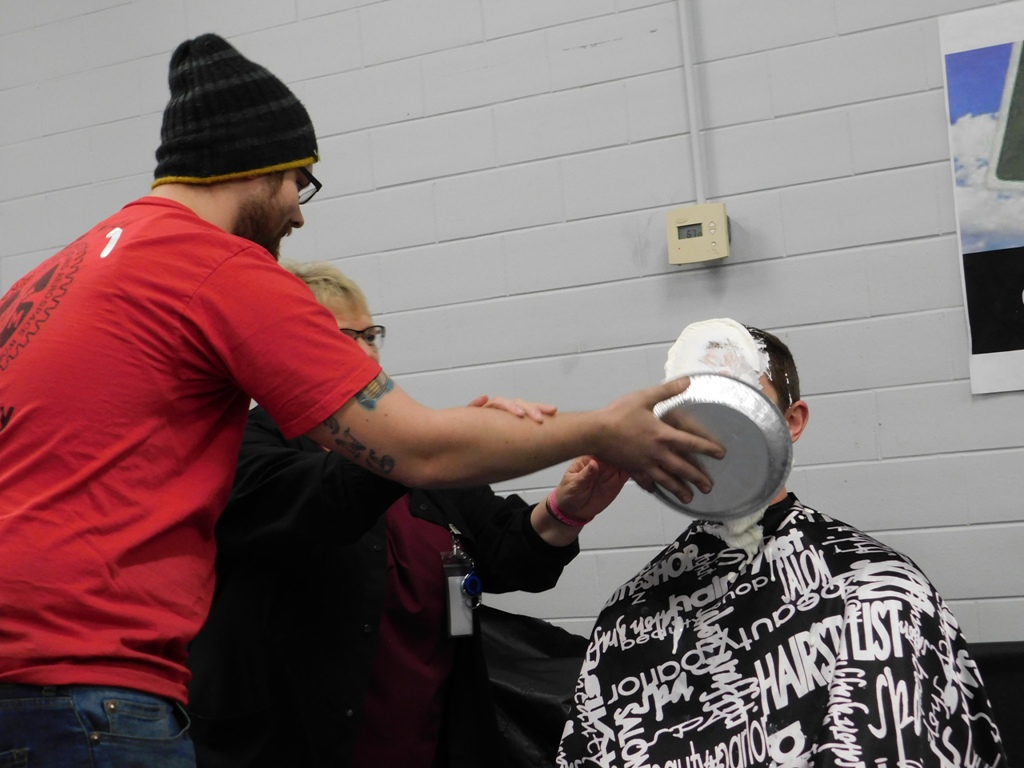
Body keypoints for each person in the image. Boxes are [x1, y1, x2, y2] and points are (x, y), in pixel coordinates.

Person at [0, 34, 722, 766]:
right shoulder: (215, 266)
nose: (299, 214)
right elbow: (417, 450)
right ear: (255, 166)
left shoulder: (55, 277)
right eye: (299, 181)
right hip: (85, 682)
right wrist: (603, 427)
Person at [186, 261, 623, 767]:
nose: (366, 351)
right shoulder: (241, 447)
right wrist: (427, 447)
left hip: (426, 743)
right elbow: (324, 503)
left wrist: (565, 512)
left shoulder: (423, 458)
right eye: (343, 336)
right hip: (288, 748)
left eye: (370, 334)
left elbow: (505, 551)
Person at [556, 319, 1008, 768]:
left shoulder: (880, 595)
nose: (708, 431)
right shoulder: (628, 618)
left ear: (792, 422)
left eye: (735, 398)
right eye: (690, 407)